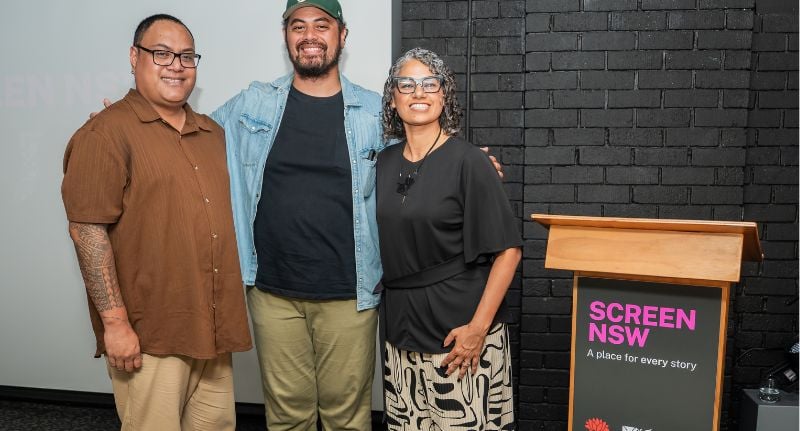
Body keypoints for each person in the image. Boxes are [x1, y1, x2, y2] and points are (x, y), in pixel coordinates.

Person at [61, 14, 251, 431]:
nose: (176, 65)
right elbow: (87, 231)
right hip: (151, 336)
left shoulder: (213, 134)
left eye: (186, 56)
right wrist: (115, 325)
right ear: (134, 57)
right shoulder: (105, 134)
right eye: (161, 53)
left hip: (212, 331)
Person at [210, 1, 382, 429]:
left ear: (342, 35)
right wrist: (136, 125)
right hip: (272, 291)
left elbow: (421, 161)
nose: (309, 35)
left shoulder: (376, 111)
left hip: (349, 292)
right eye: (297, 26)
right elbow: (190, 137)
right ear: (285, 35)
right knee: (288, 417)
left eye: (321, 25)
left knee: (347, 419)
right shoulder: (254, 103)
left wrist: (469, 164)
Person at [375, 48, 521, 430]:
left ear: (444, 95)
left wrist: (477, 329)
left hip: (461, 334)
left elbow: (509, 251)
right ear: (393, 97)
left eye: (429, 83)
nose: (418, 92)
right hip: (400, 329)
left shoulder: (470, 161)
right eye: (406, 84)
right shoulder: (382, 164)